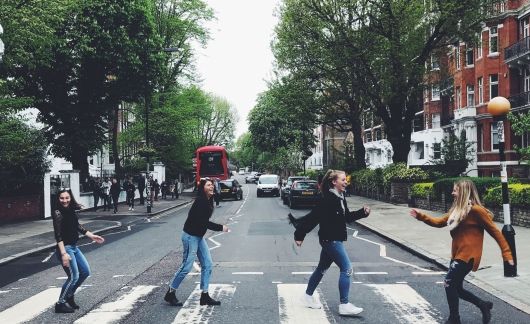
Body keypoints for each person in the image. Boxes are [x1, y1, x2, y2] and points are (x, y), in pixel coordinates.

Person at [410, 179, 514, 324]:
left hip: (468, 256)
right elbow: (439, 222)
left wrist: (507, 254)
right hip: (458, 255)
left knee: (448, 283)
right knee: (457, 288)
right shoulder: (456, 211)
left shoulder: (476, 211)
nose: (452, 193)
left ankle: (454, 318)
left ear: (464, 192)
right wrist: (421, 216)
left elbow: (495, 232)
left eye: (455, 190)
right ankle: (483, 305)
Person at [288, 169, 371, 316]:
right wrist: (299, 234)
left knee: (321, 269)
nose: (346, 182)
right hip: (330, 239)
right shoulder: (326, 198)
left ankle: (307, 296)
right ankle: (344, 305)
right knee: (347, 269)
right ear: (334, 182)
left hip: (334, 238)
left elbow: (346, 217)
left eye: (346, 179)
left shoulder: (340, 196)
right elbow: (313, 218)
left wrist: (362, 213)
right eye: (343, 180)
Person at [164, 178, 229, 307]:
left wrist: (213, 198)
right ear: (203, 188)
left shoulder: (208, 200)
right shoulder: (201, 201)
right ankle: (170, 293)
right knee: (186, 267)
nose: (212, 187)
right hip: (190, 236)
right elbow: (203, 222)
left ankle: (204, 296)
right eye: (209, 185)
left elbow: (203, 221)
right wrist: (221, 227)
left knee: (208, 264)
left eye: (212, 185)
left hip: (199, 237)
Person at [52, 189, 104, 313]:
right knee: (73, 277)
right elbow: (58, 235)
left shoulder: (71, 210)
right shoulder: (57, 213)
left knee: (85, 272)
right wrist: (64, 254)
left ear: (71, 198)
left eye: (67, 198)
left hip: (74, 247)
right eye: (62, 198)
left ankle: (69, 294)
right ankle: (60, 303)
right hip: (66, 249)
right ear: (58, 199)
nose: (65, 200)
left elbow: (77, 226)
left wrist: (92, 236)